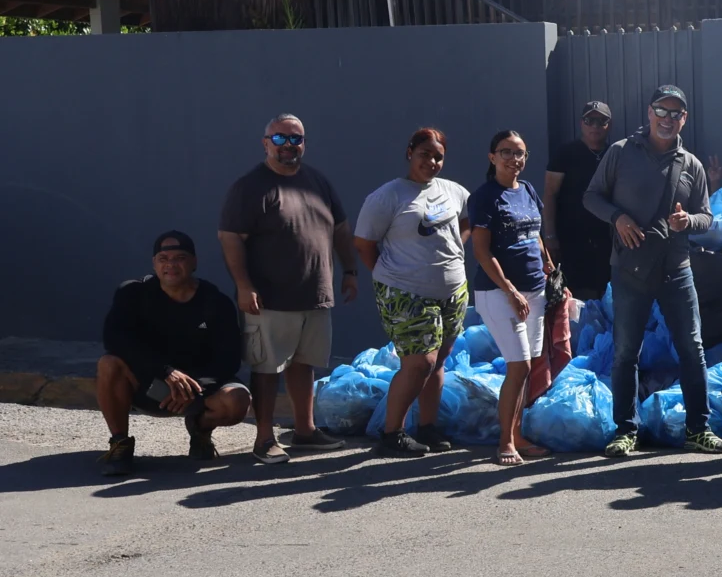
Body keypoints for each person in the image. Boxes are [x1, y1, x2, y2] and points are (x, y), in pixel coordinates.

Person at [585, 85, 722, 456]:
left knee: (692, 349)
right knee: (625, 351)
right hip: (630, 269)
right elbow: (591, 197)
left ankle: (698, 429)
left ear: (684, 119)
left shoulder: (691, 164)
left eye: (675, 114)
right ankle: (625, 430)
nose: (667, 119)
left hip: (676, 269)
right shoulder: (620, 153)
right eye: (661, 112)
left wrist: (687, 222)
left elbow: (706, 217)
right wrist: (617, 218)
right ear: (648, 113)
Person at [218, 113, 356, 464]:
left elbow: (340, 228)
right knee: (267, 368)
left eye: (295, 139)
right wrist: (243, 285)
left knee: (304, 364)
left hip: (315, 293)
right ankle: (264, 438)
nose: (288, 146)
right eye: (279, 139)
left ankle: (305, 431)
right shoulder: (250, 187)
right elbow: (231, 238)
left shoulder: (317, 182)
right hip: (269, 298)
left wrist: (349, 270)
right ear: (266, 143)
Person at [354, 128, 472, 457]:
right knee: (420, 363)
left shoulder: (454, 191)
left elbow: (467, 221)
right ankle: (393, 432)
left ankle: (428, 427)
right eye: (424, 154)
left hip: (452, 291)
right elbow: (364, 244)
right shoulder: (387, 196)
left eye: (438, 157)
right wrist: (387, 273)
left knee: (439, 361)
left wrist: (455, 250)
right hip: (405, 293)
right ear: (410, 152)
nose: (431, 162)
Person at [95, 232, 252, 476]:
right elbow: (115, 340)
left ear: (194, 262)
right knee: (108, 364)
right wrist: (165, 372)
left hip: (198, 389)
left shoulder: (215, 302)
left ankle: (200, 431)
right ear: (154, 263)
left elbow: (229, 358)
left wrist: (194, 386)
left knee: (237, 400)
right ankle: (120, 443)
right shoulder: (133, 293)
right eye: (163, 258)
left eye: (180, 257)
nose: (170, 264)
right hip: (149, 382)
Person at [469, 130, 555, 466]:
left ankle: (517, 434)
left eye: (519, 153)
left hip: (534, 290)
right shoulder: (486, 196)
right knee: (517, 366)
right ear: (492, 157)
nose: (513, 159)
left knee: (527, 367)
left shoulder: (529, 190)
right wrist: (510, 290)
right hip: (499, 293)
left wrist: (547, 261)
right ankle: (505, 441)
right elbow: (480, 249)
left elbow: (535, 234)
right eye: (505, 152)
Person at [543, 101, 615, 301]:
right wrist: (550, 235)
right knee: (571, 298)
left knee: (605, 294)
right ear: (581, 123)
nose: (595, 126)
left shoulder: (615, 154)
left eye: (601, 121)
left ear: (610, 125)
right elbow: (550, 194)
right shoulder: (565, 154)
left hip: (606, 240)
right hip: (570, 240)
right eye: (589, 120)